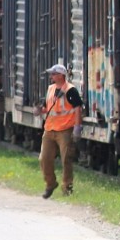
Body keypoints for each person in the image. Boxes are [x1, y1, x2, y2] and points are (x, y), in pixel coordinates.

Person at [39, 63, 85, 198]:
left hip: (65, 130)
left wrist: (77, 127)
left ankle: (67, 188)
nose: (51, 76)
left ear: (61, 75)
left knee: (66, 159)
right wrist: (39, 110)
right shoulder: (50, 89)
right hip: (49, 129)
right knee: (44, 158)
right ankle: (50, 183)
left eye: (53, 74)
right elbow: (47, 107)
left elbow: (77, 108)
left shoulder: (70, 90)